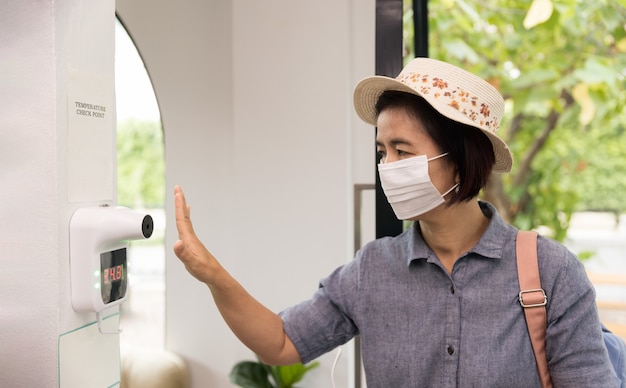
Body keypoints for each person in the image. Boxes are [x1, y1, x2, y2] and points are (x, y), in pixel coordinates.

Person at [173, 57, 619, 387]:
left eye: (403, 151)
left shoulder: (552, 271)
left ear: (462, 161)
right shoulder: (372, 269)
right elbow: (280, 342)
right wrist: (212, 275)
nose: (389, 166)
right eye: (382, 151)